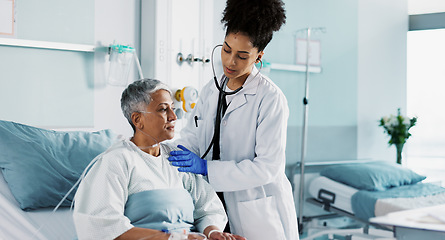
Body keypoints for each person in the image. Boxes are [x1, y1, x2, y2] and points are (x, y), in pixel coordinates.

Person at [168, 0, 299, 239]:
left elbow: (268, 167)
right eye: (226, 49)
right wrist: (163, 154)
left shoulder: (270, 98)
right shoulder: (211, 90)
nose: (230, 62)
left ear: (259, 56)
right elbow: (193, 139)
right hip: (213, 205)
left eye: (242, 56)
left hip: (256, 211)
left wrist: (207, 168)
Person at [73, 79, 245, 240]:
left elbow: (208, 208)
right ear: (137, 119)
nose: (173, 116)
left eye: (172, 107)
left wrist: (213, 232)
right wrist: (173, 238)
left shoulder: (176, 158)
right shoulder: (116, 161)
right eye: (163, 109)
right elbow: (103, 226)